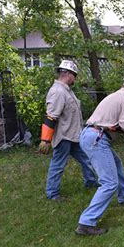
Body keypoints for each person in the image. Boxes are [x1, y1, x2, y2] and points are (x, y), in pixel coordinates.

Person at [75, 71, 124, 236]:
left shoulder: (116, 96)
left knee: (116, 163)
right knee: (109, 182)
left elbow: (116, 126)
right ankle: (86, 222)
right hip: (97, 138)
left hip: (90, 134)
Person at [39, 60, 99, 201]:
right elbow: (51, 116)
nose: (75, 79)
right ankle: (52, 193)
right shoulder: (57, 92)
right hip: (63, 136)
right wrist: (45, 140)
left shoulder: (67, 91)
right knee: (58, 164)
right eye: (74, 75)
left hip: (75, 135)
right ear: (67, 74)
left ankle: (90, 182)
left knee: (86, 158)